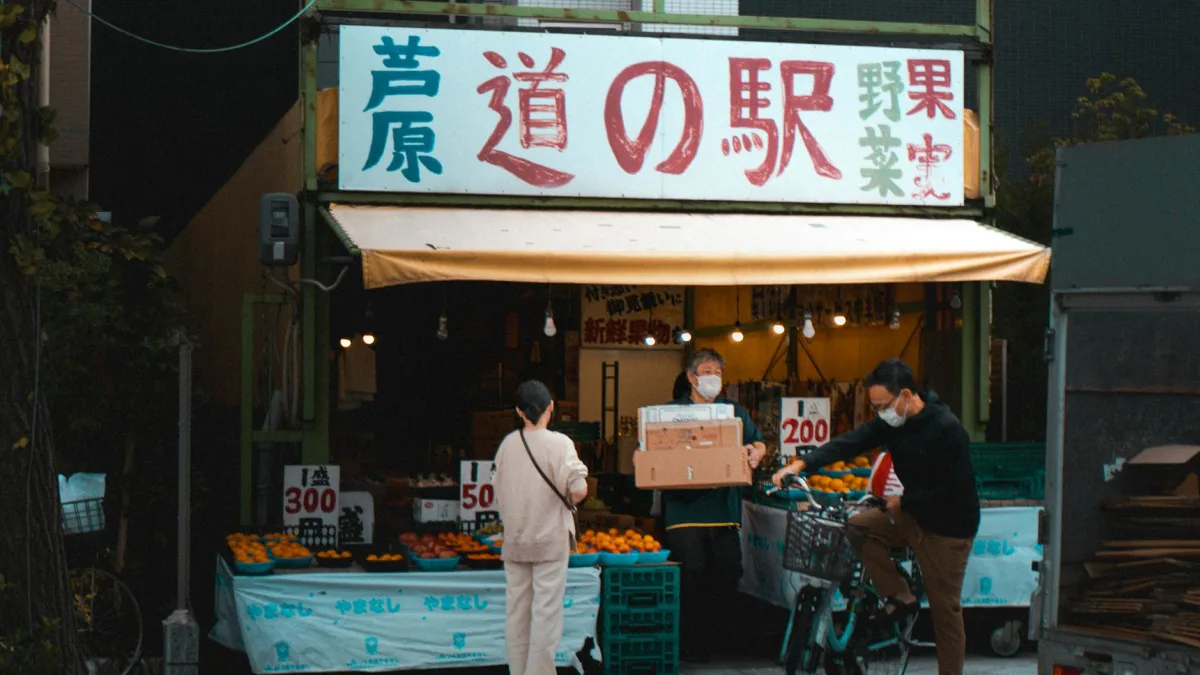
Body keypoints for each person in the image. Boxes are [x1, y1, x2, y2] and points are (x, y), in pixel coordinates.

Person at [772, 358, 979, 675]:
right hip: (911, 515)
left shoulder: (947, 429)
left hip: (947, 529)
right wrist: (802, 464)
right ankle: (899, 595)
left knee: (944, 611)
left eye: (883, 405)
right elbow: (851, 442)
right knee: (858, 526)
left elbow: (956, 489)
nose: (880, 413)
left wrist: (905, 500)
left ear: (906, 395)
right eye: (875, 407)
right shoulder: (891, 423)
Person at [662, 348, 766, 663]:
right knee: (691, 573)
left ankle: (714, 641)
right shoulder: (672, 413)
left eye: (719, 372)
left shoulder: (732, 412)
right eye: (708, 371)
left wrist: (757, 452)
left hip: (724, 512)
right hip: (685, 514)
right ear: (692, 377)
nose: (714, 378)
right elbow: (650, 448)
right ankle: (689, 641)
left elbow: (758, 442)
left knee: (727, 571)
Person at [493, 380, 589, 675]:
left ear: (519, 411)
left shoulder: (508, 444)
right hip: (550, 540)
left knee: (517, 614)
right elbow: (580, 488)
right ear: (551, 407)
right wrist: (566, 503)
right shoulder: (560, 443)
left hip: (516, 541)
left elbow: (497, 486)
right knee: (546, 614)